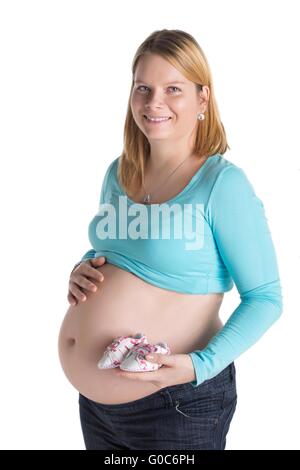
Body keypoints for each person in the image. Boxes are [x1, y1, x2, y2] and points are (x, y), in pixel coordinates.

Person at [66, 29, 283, 450]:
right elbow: (116, 252)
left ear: (202, 99)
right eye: (143, 88)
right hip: (97, 409)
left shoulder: (222, 184)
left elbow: (266, 296)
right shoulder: (119, 172)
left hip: (175, 404)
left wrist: (198, 367)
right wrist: (83, 267)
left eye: (173, 89)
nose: (153, 103)